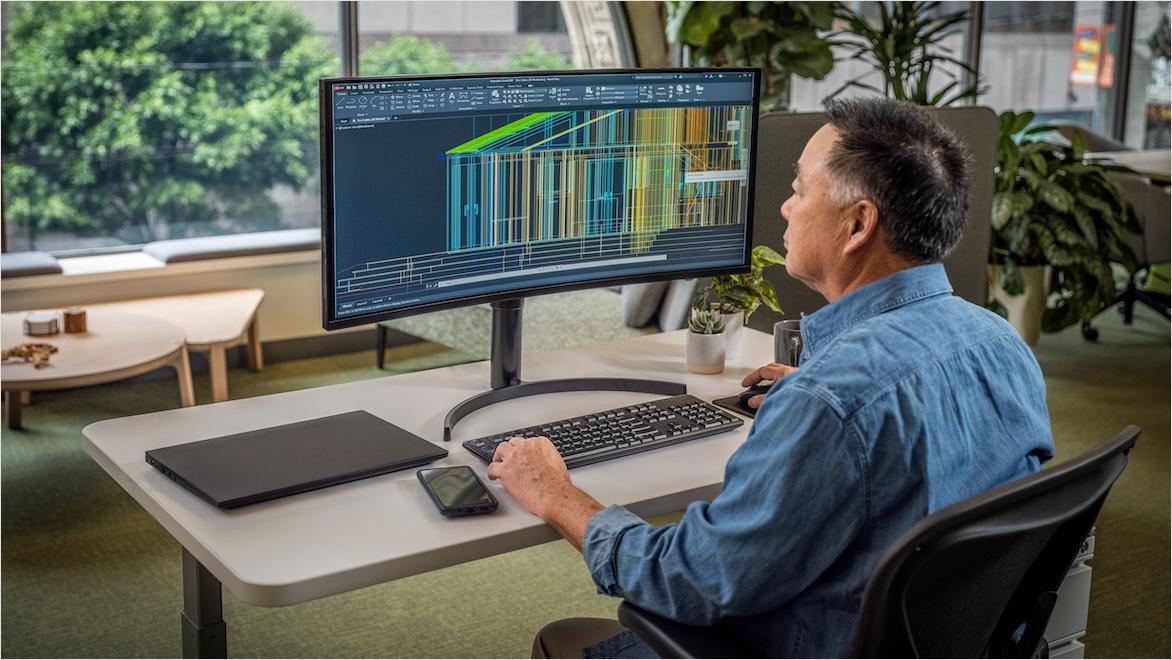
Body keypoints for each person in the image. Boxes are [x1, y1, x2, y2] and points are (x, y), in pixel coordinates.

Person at [488, 97, 1055, 659]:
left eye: (799, 190)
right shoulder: (1002, 344)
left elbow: (691, 580)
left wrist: (556, 495)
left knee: (561, 638)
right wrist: (819, 402)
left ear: (858, 224)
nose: (785, 209)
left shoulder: (829, 403)